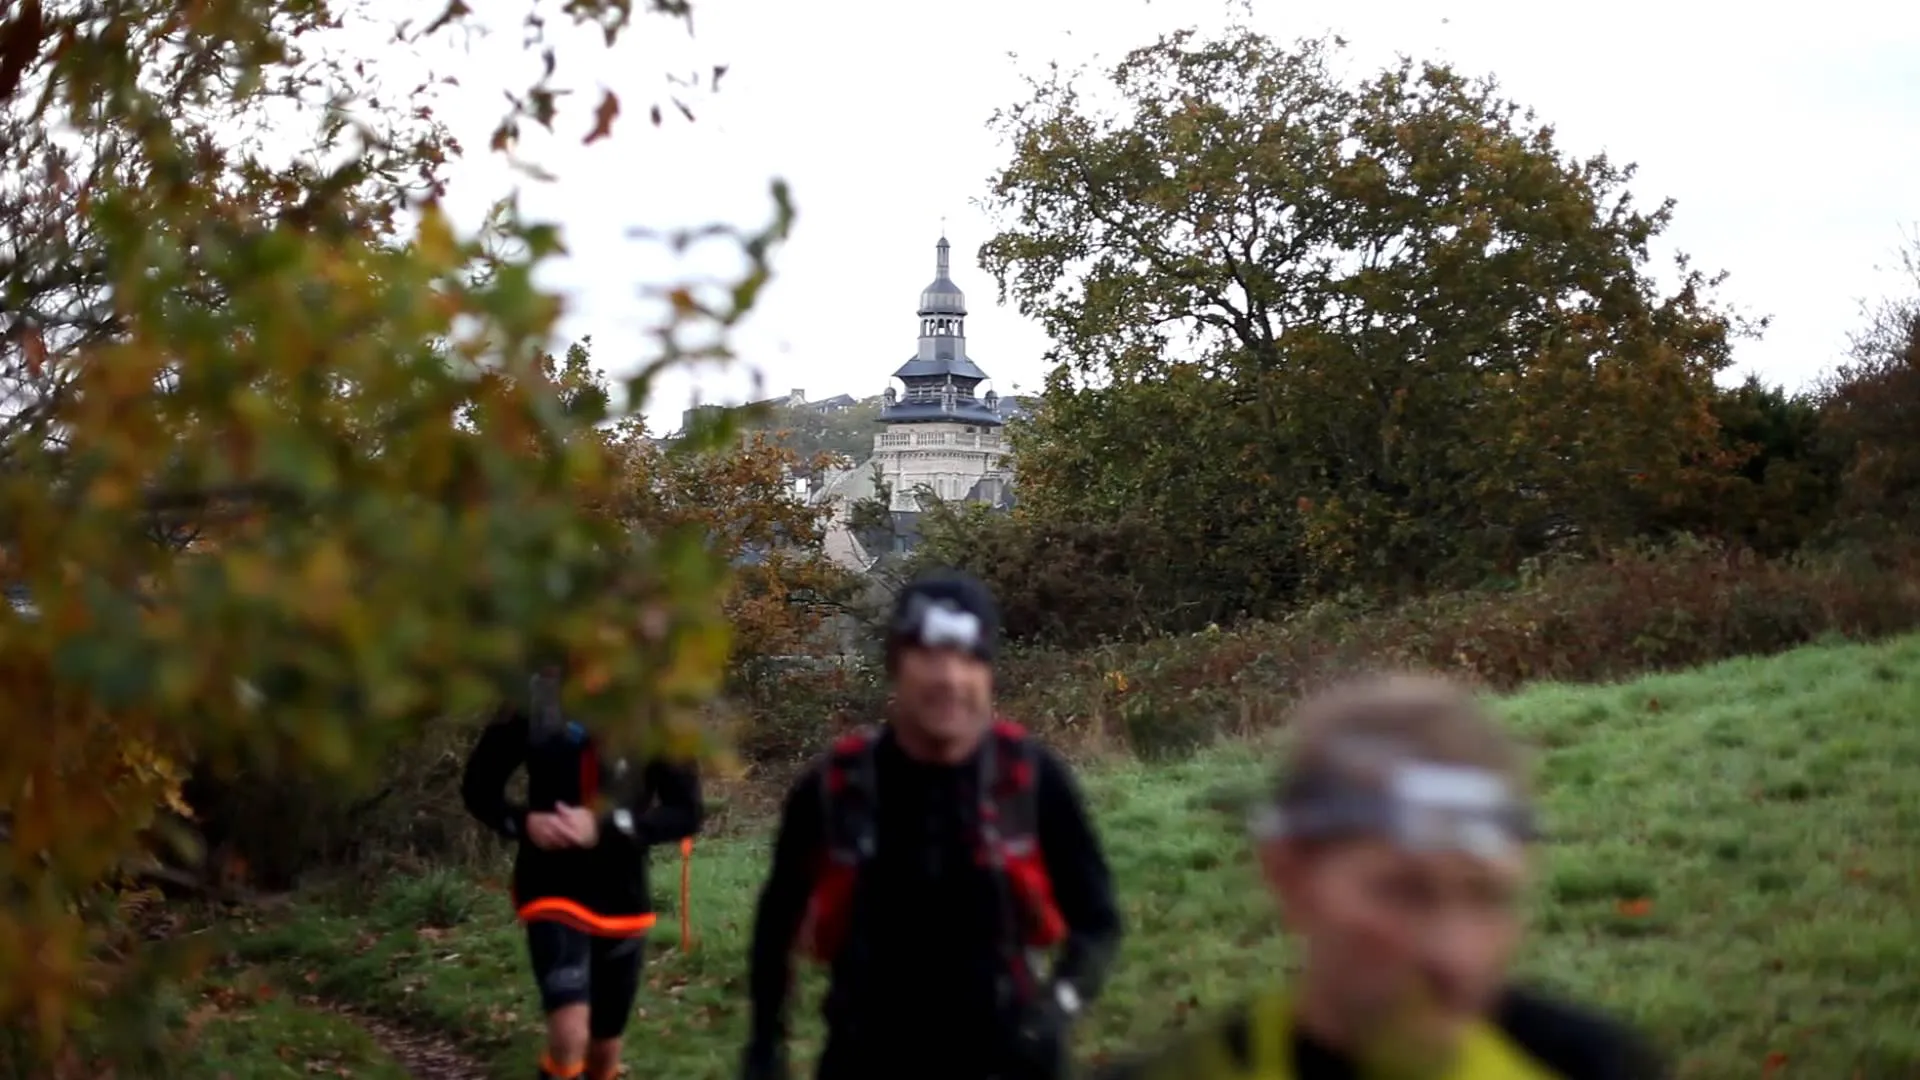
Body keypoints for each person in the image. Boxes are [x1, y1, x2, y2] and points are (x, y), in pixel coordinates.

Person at [1092, 674, 1665, 1080]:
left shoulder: (1593, 1064)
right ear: (1289, 874)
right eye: (1403, 892)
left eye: (1490, 895)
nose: (1455, 956)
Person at [739, 570, 1124, 1080]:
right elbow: (776, 925)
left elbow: (1098, 921)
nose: (949, 678)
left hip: (1013, 1059)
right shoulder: (836, 787)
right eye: (928, 655)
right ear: (896, 666)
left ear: (989, 673)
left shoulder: (1030, 779)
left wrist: (1056, 1011)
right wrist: (766, 1045)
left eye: (968, 658)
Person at [462, 664, 704, 1080]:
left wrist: (606, 828)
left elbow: (687, 812)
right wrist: (524, 823)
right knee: (569, 1034)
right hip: (552, 885)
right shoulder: (538, 698)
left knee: (603, 1051)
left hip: (623, 893)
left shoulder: (655, 708)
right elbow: (479, 787)